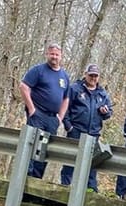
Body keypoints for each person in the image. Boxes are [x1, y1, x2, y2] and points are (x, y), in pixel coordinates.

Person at [18, 43, 71, 179]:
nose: (54, 57)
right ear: (47, 54)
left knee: (44, 151)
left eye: (57, 54)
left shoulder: (64, 76)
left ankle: (36, 180)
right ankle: (25, 179)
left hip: (52, 119)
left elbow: (66, 99)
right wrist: (31, 109)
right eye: (52, 54)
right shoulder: (38, 70)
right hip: (38, 115)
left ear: (61, 56)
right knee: (32, 147)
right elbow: (24, 86)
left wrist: (60, 117)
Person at [60, 63, 114, 191]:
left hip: (93, 134)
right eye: (91, 75)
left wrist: (105, 112)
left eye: (95, 76)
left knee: (91, 165)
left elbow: (109, 113)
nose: (93, 78)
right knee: (71, 162)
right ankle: (64, 188)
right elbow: (64, 108)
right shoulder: (75, 89)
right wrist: (68, 126)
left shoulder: (102, 94)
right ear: (86, 75)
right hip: (76, 131)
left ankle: (91, 191)